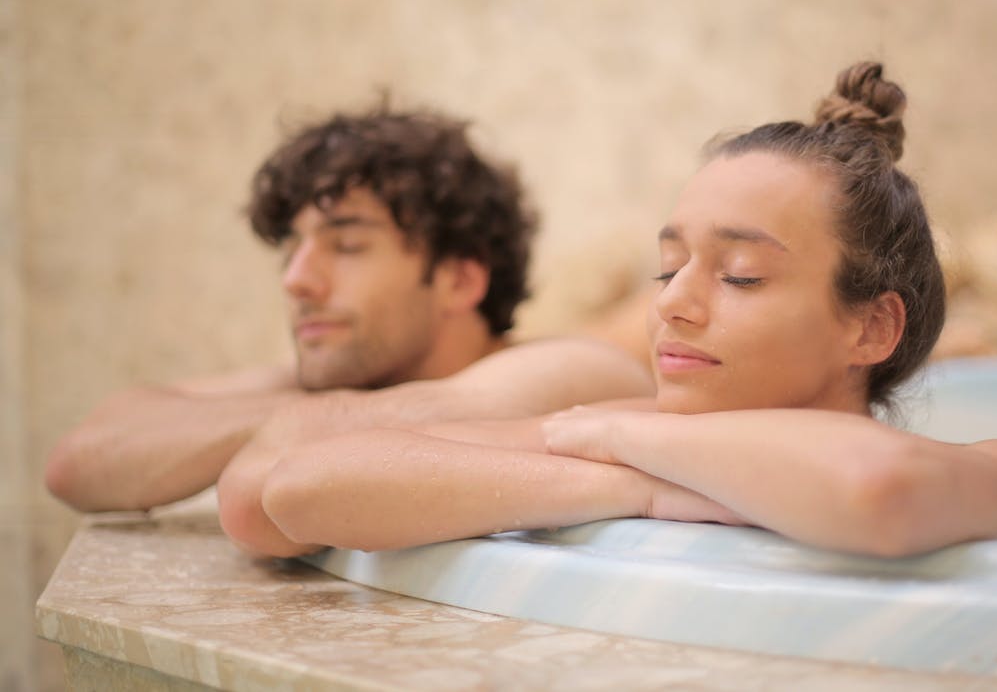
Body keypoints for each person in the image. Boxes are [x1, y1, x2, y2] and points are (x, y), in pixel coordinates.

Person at [219, 63, 997, 559]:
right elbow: (292, 490)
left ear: (872, 327)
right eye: (669, 267)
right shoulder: (620, 433)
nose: (672, 303)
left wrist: (626, 445)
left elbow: (876, 490)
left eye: (738, 275)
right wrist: (634, 484)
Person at [44, 104, 654, 513]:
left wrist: (298, 417)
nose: (297, 279)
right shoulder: (344, 380)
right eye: (292, 247)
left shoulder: (570, 370)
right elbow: (78, 464)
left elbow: (394, 423)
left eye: (348, 244)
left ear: (459, 280)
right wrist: (305, 411)